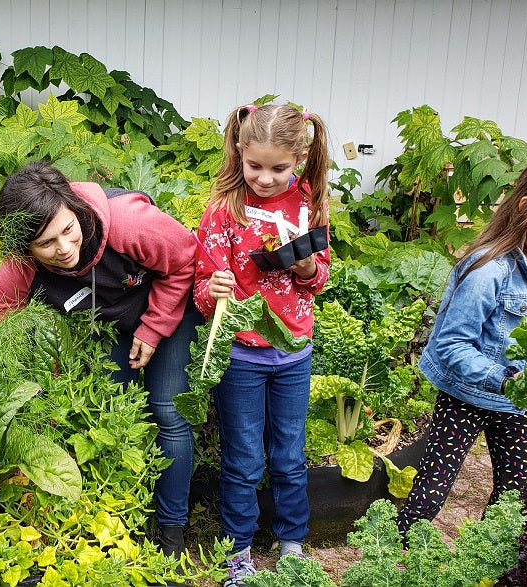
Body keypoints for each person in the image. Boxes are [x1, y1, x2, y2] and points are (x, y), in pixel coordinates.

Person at [0, 160, 202, 557]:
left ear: (75, 209)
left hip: (170, 309)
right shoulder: (20, 265)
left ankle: (172, 530)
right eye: (46, 244)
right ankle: (127, 523)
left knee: (168, 411)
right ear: (23, 247)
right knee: (112, 411)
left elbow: (186, 259)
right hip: (111, 325)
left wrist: (154, 326)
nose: (63, 249)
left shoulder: (128, 221)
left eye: (68, 231)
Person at [395, 151, 527, 538]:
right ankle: (398, 556)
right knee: (433, 484)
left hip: (515, 398)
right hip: (468, 393)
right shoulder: (488, 270)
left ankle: (495, 562)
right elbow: (451, 346)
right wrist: (509, 378)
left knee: (514, 493)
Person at [193, 103, 331, 585]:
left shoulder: (309, 204)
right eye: (255, 166)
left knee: (290, 453)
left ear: (299, 158)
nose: (266, 178)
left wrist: (307, 269)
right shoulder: (222, 210)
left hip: (294, 349)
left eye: (279, 168)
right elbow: (201, 289)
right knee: (244, 456)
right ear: (238, 151)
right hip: (241, 355)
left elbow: (320, 278)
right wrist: (213, 290)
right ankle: (237, 552)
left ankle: (293, 540)